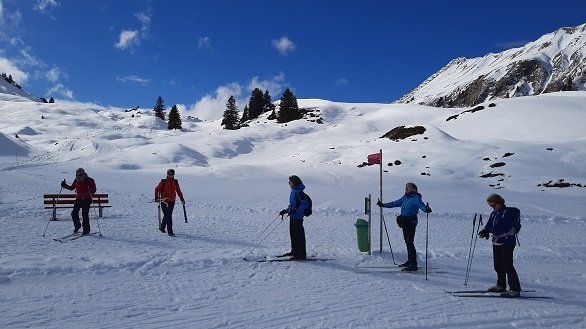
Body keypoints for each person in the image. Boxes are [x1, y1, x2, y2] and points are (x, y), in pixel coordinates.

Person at [377, 182, 431, 272]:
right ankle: (410, 261)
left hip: (411, 222)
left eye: (407, 188)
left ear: (412, 189)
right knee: (407, 242)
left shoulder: (416, 198)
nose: (405, 189)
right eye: (405, 188)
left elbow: (422, 206)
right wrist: (383, 205)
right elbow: (395, 203)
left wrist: (426, 209)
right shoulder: (405, 197)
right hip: (405, 222)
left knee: (410, 242)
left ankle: (413, 264)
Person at [478, 193, 522, 298]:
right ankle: (501, 285)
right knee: (498, 265)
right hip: (496, 241)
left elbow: (505, 228)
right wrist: (485, 230)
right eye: (491, 206)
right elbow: (489, 224)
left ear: (500, 203)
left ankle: (515, 289)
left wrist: (490, 230)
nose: (492, 207)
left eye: (494, 205)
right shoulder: (494, 214)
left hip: (507, 242)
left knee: (508, 265)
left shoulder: (508, 213)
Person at [279, 175, 309, 260]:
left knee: (299, 236)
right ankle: (295, 251)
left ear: (294, 183)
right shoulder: (293, 191)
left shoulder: (299, 192)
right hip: (292, 216)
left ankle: (301, 254)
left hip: (298, 217)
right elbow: (293, 205)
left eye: (290, 182)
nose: (289, 184)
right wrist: (286, 210)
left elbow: (304, 204)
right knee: (293, 234)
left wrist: (296, 211)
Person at [61, 168, 97, 235]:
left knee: (84, 214)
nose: (78, 176)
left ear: (83, 173)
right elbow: (72, 188)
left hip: (87, 199)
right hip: (79, 198)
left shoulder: (89, 180)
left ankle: (86, 230)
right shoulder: (76, 180)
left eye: (79, 174)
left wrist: (90, 188)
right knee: (74, 213)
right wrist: (64, 185)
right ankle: (77, 226)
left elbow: (94, 190)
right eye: (76, 174)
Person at [154, 169, 185, 237]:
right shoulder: (163, 181)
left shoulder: (175, 182)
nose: (171, 176)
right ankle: (170, 231)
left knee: (167, 215)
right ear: (167, 174)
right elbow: (157, 189)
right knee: (168, 216)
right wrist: (156, 197)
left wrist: (182, 199)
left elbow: (178, 191)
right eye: (170, 175)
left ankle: (162, 227)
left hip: (172, 202)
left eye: (172, 175)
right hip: (164, 201)